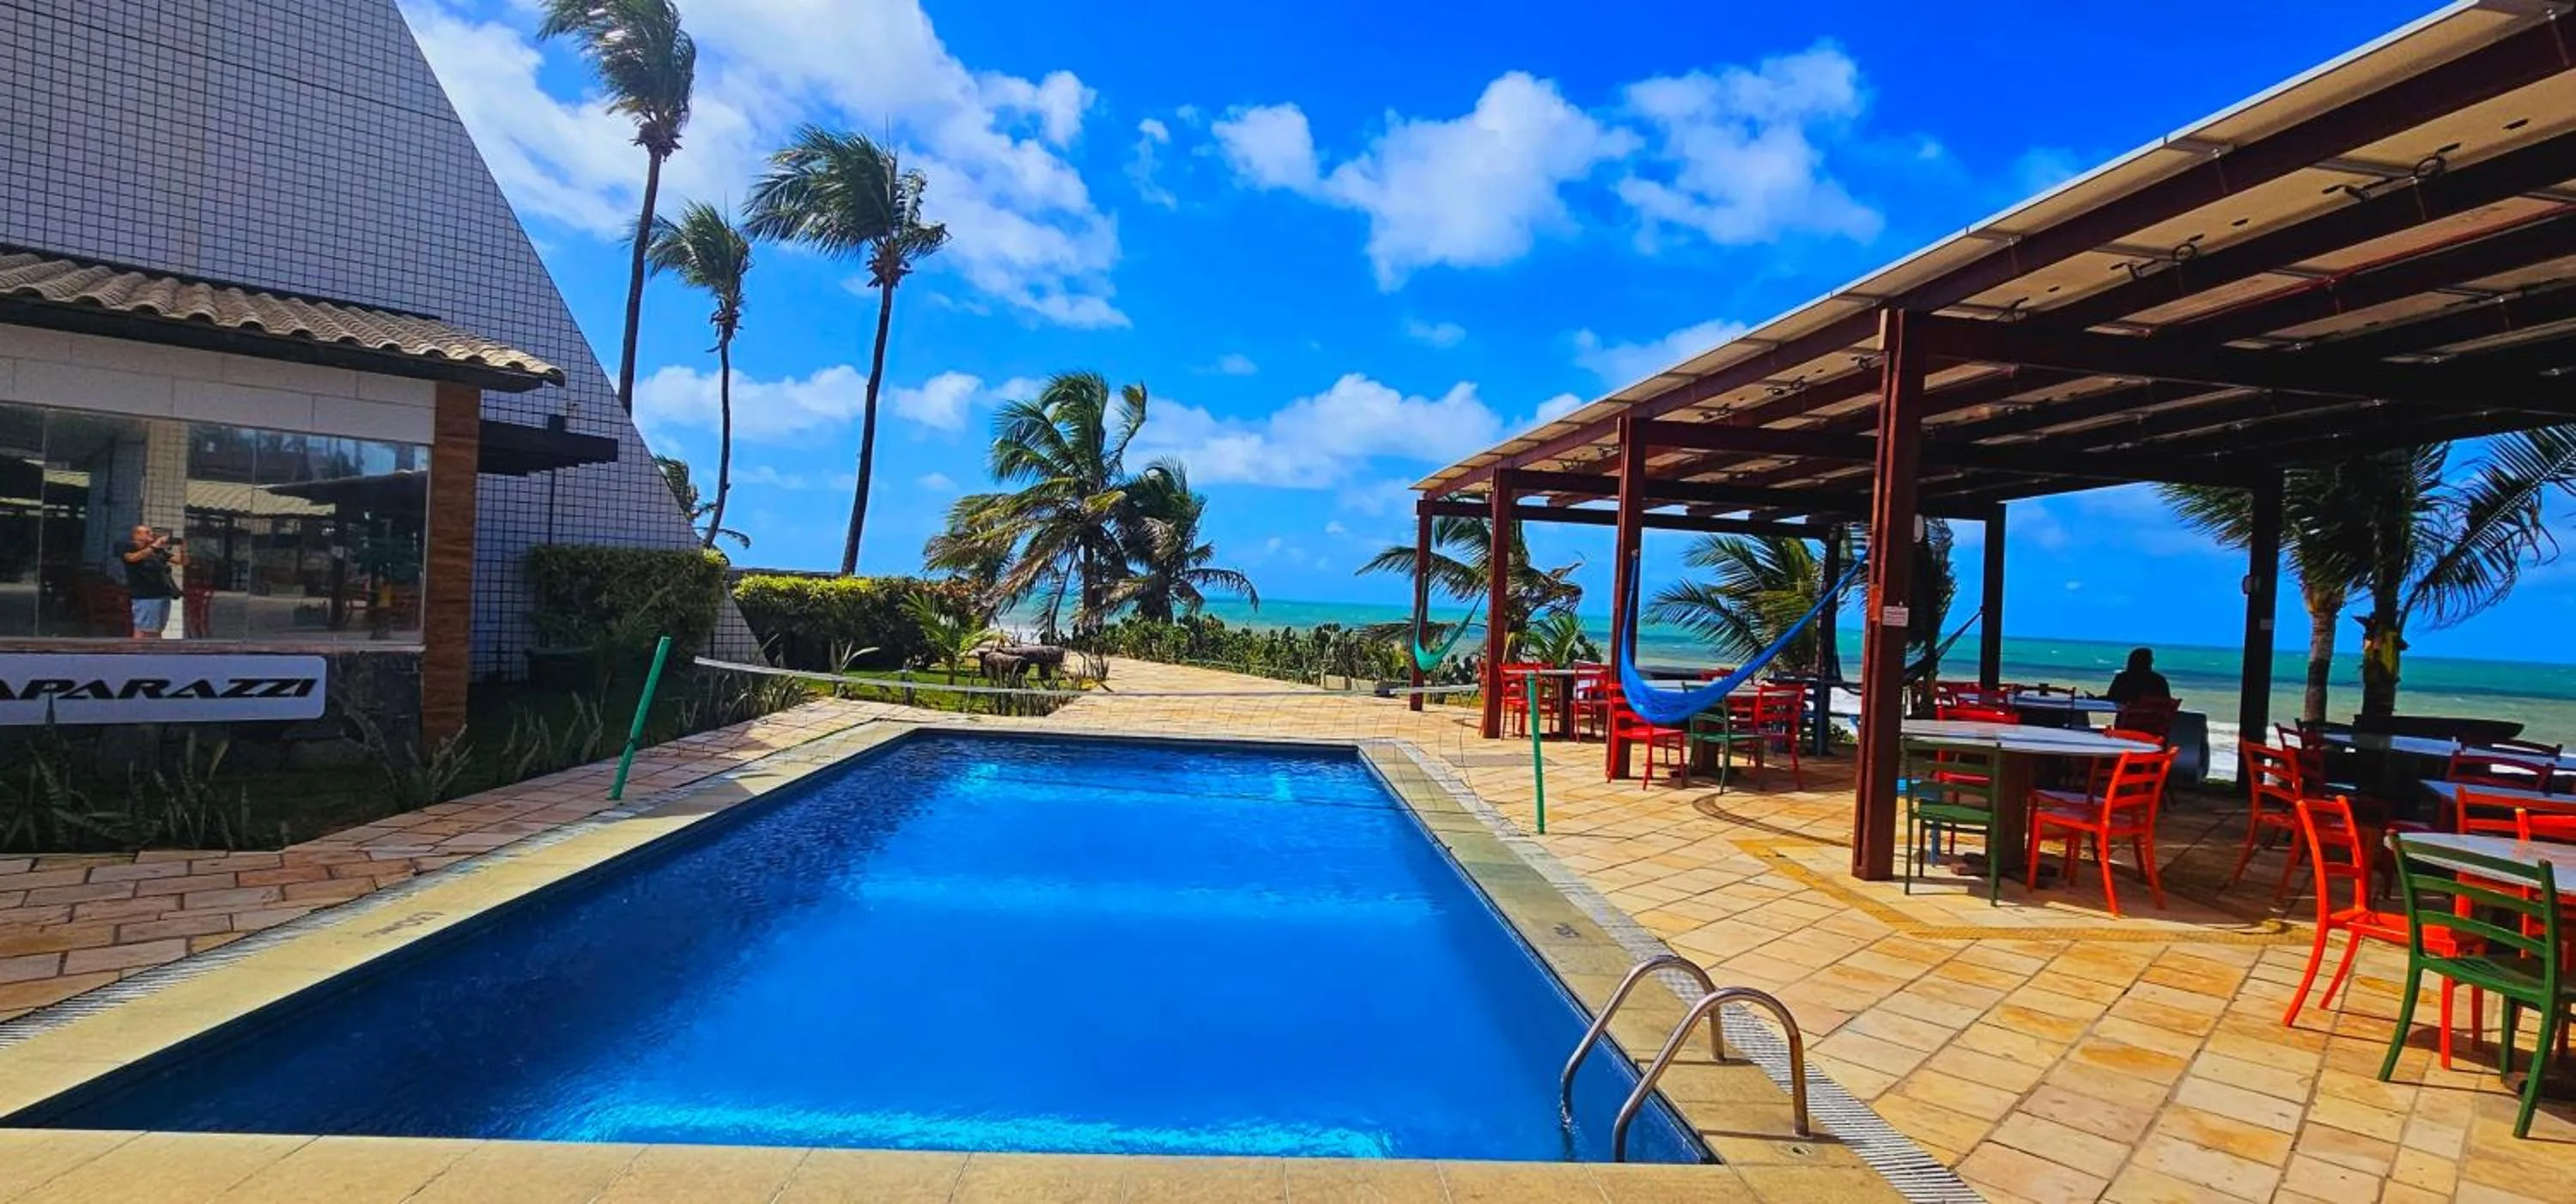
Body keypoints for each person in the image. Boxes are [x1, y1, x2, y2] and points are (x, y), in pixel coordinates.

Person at [114, 523, 185, 639]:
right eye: (147, 532)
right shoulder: (128, 546)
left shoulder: (158, 551)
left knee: (157, 629)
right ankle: (139, 653)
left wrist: (184, 549)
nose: (151, 534)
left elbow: (180, 561)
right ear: (136, 535)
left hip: (162, 594)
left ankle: (155, 652)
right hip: (145, 595)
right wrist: (156, 545)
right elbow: (133, 558)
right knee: (143, 629)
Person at [2105, 647, 2171, 706]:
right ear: (2149, 662)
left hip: (2128, 719)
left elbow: (2111, 699)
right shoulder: (2159, 680)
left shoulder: (2123, 678)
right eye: (2151, 659)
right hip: (2154, 719)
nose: (2153, 661)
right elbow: (2167, 702)